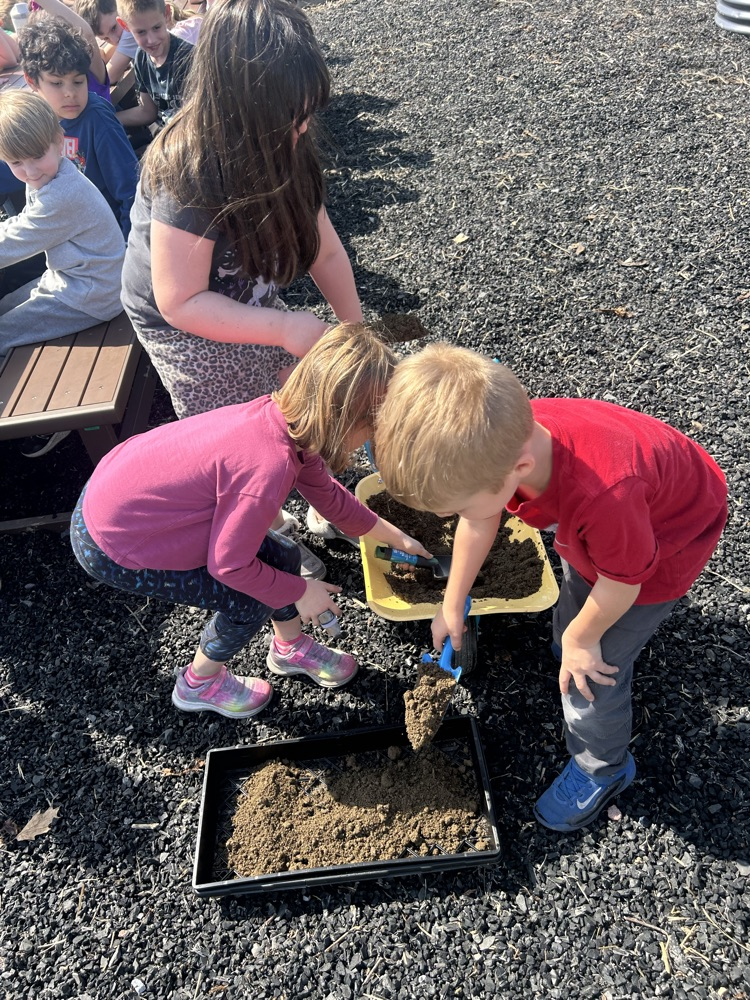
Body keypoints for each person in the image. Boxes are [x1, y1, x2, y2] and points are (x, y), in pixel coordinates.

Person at [374, 343, 728, 833]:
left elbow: (624, 583)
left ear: (518, 470)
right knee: (577, 609)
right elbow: (480, 517)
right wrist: (453, 600)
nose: (453, 517)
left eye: (455, 507)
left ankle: (602, 767)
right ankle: (575, 638)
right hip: (615, 536)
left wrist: (583, 640)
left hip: (662, 548)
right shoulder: (502, 437)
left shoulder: (605, 497)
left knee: (590, 672)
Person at [70, 324, 432, 720]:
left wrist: (396, 538)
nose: (372, 438)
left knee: (285, 556)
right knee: (248, 601)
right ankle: (198, 683)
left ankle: (289, 648)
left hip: (123, 496)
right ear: (345, 422)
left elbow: (330, 498)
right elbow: (228, 566)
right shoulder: (268, 470)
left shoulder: (291, 424)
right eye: (373, 428)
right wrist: (301, 591)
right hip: (115, 541)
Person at [120, 0, 364, 571]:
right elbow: (180, 300)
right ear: (240, 104)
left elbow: (325, 248)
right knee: (241, 434)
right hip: (184, 323)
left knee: (299, 397)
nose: (303, 128)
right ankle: (265, 532)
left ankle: (323, 498)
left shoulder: (287, 140)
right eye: (291, 116)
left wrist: (355, 332)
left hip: (244, 294)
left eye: (308, 112)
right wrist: (281, 326)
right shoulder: (188, 168)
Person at [0, 90, 125, 354]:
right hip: (75, 277)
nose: (30, 172)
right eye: (16, 162)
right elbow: (23, 222)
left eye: (37, 156)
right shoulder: (52, 174)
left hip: (93, 295)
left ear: (59, 140)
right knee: (5, 306)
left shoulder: (62, 196)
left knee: (2, 334)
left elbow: (12, 244)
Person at [19, 17, 139, 238]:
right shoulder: (35, 118)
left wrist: (126, 248)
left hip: (105, 235)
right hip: (62, 227)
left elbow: (130, 192)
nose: (70, 93)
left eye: (78, 81)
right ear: (32, 81)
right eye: (57, 83)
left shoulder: (97, 120)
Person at [114, 0, 194, 131]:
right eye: (141, 32)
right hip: (164, 132)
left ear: (166, 14)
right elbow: (148, 112)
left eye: (156, 27)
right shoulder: (141, 57)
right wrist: (109, 118)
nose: (151, 40)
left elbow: (194, 120)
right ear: (124, 25)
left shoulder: (188, 58)